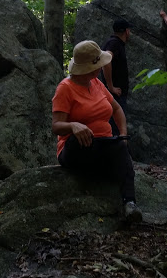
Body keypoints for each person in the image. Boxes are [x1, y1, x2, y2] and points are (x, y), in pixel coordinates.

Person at [52, 40, 142, 223]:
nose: (101, 68)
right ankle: (100, 171)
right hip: (76, 147)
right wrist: (73, 126)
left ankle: (129, 203)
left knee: (120, 148)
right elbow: (56, 126)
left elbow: (116, 109)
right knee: (84, 142)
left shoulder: (96, 84)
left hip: (103, 143)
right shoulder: (65, 88)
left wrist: (123, 135)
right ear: (88, 68)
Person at [101, 19, 131, 134]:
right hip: (115, 95)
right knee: (116, 128)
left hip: (117, 93)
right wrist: (111, 86)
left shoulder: (115, 43)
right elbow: (106, 60)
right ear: (127, 31)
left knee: (116, 126)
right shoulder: (114, 43)